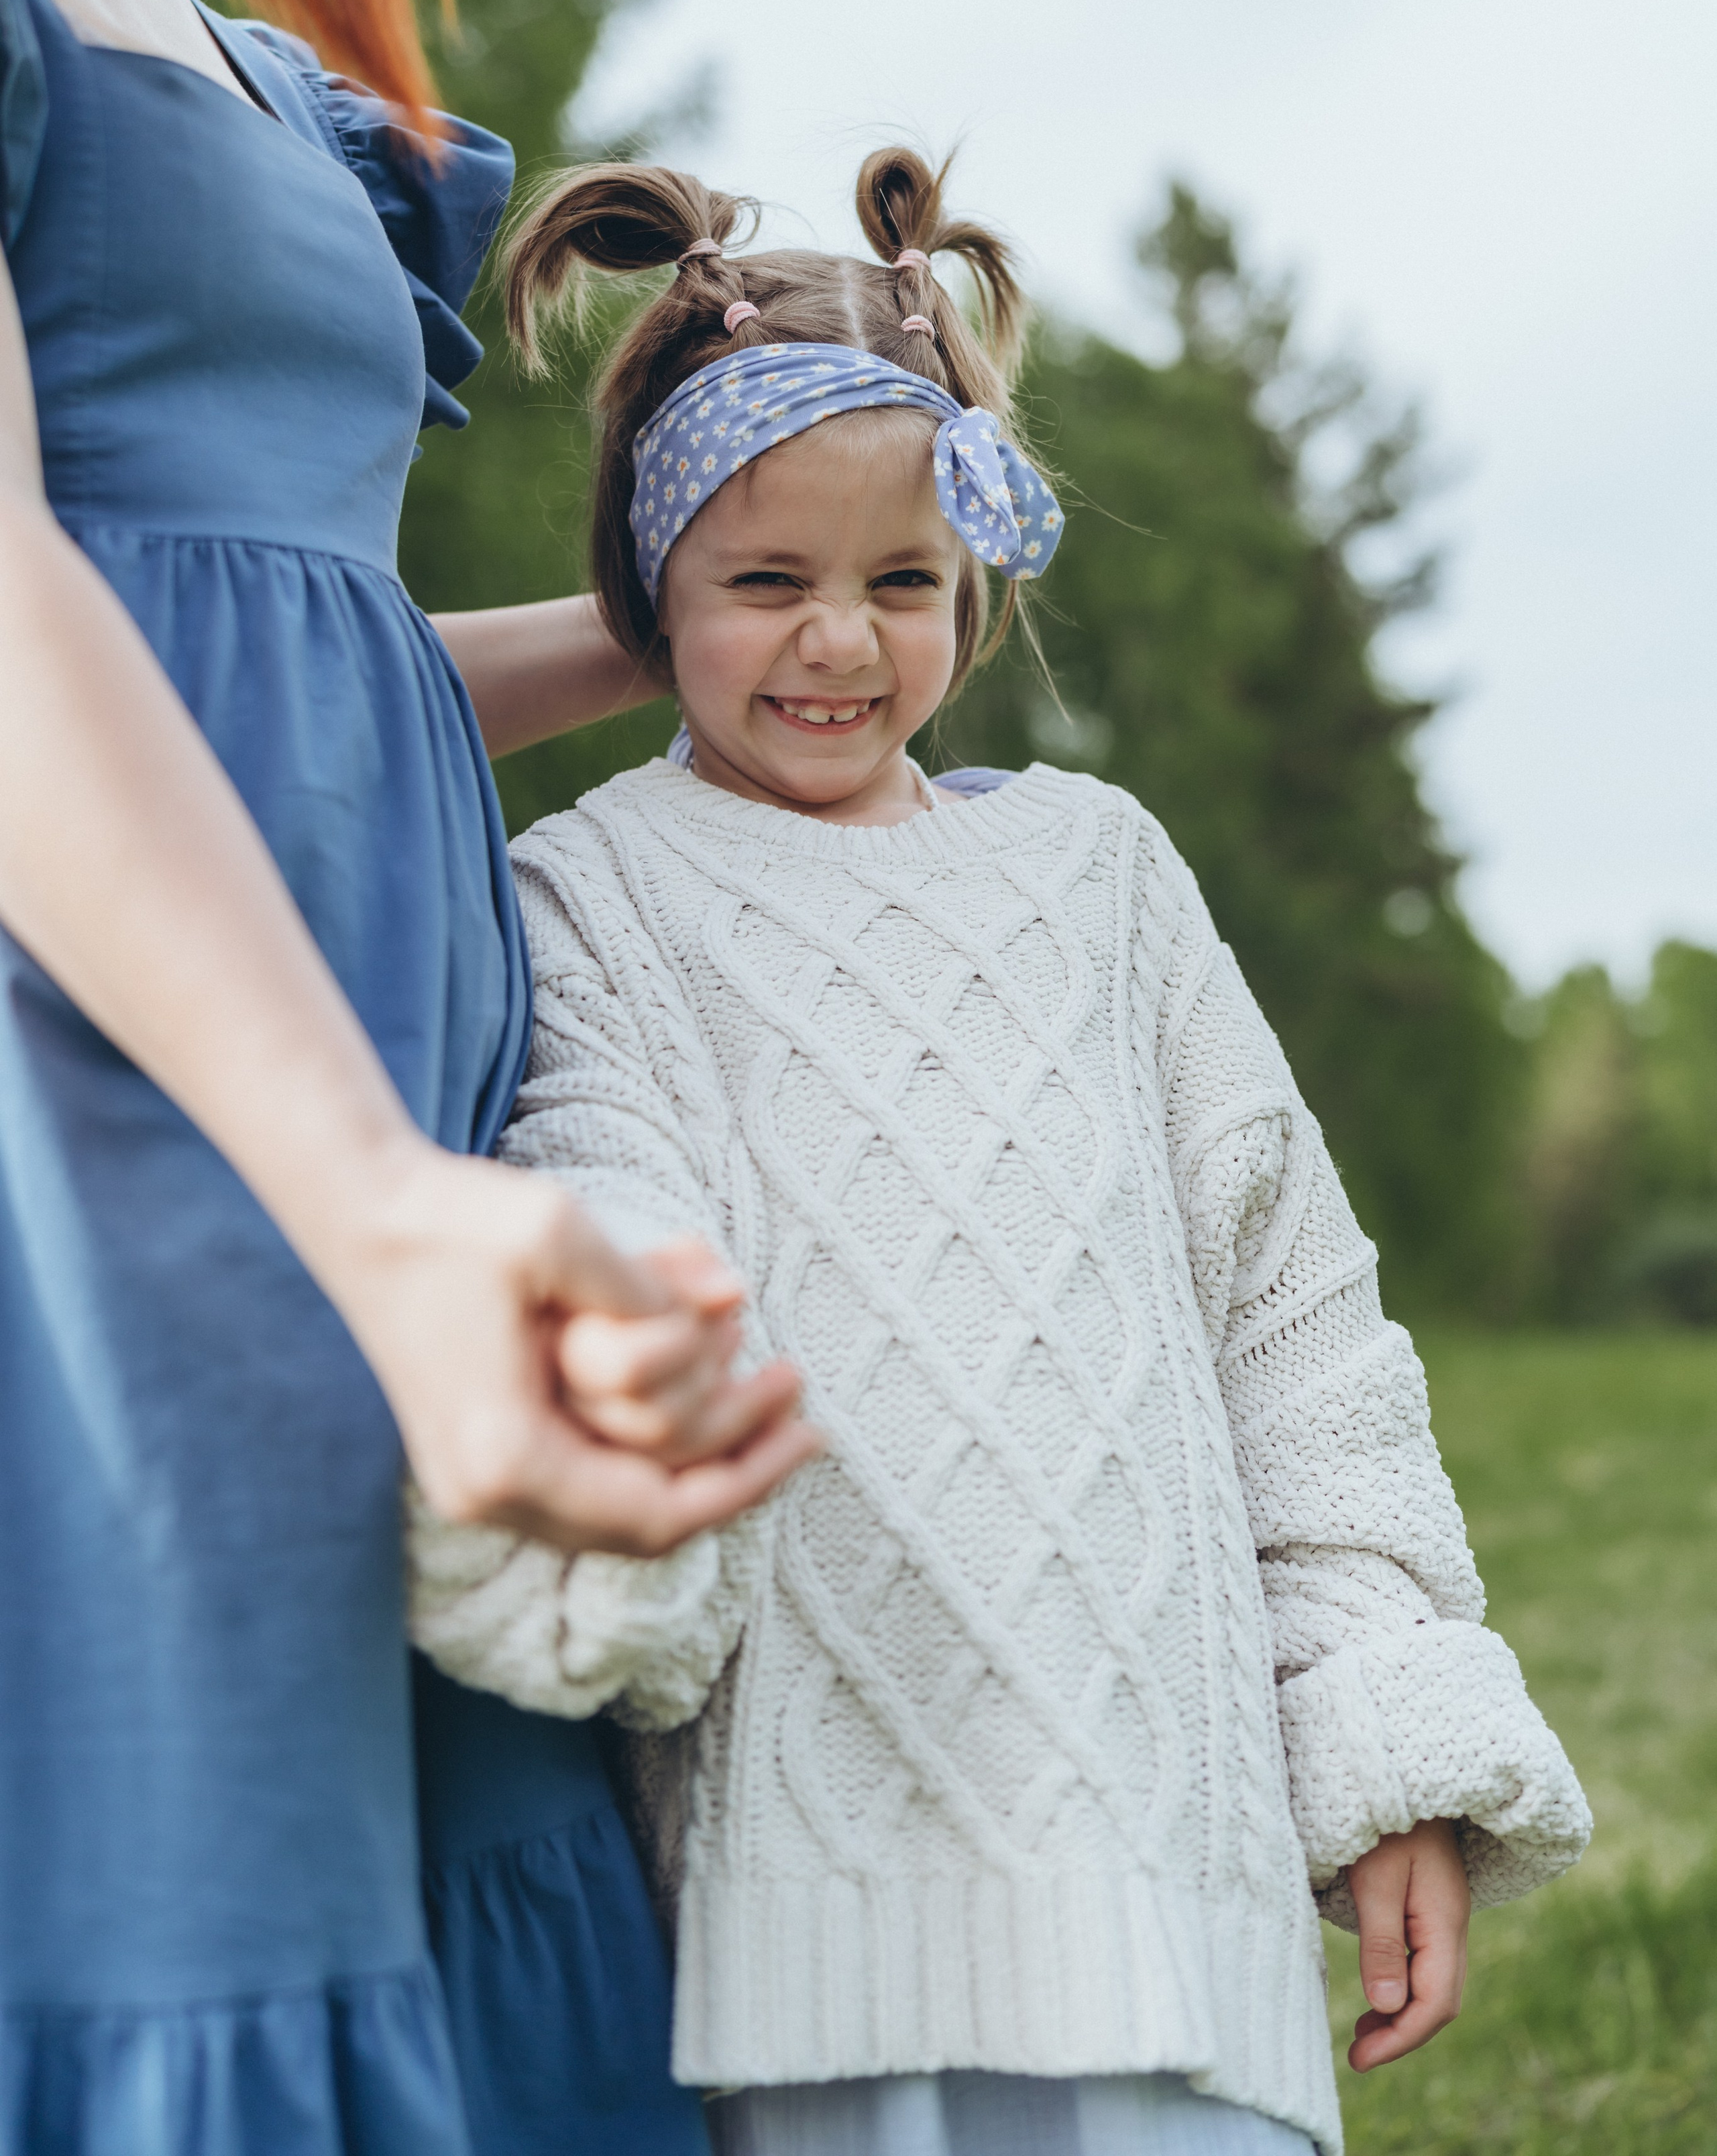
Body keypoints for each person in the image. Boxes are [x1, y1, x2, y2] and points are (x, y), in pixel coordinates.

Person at [408, 148, 1594, 2156]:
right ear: (649, 591)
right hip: (821, 1896)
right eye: (765, 582)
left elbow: (1296, 1326)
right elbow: (604, 1206)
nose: (840, 648)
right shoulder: (588, 897)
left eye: (903, 586)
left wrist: (1391, 1741)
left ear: (979, 583)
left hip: (1167, 1861)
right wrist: (615, 1362)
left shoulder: (1098, 876)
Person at [0, 0, 813, 2151]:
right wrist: (357, 1199)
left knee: (457, 1880)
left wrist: (712, 600)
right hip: (124, 1124)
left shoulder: (206, 20)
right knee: (208, 1886)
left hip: (393, 1127)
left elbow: (286, 640)